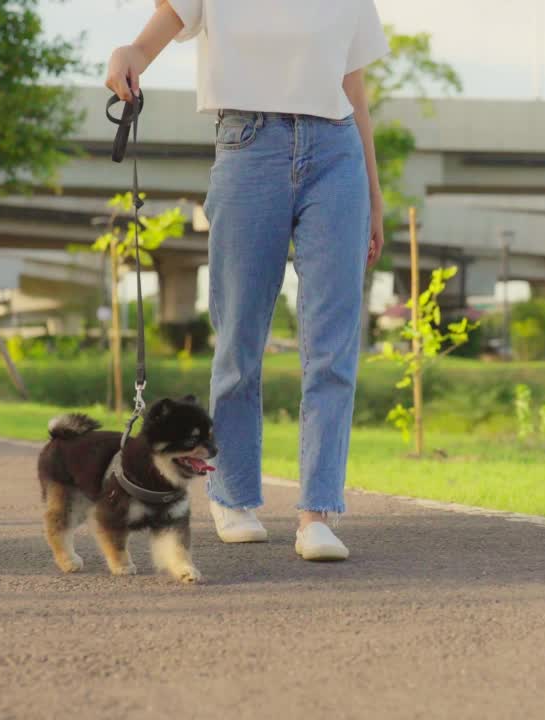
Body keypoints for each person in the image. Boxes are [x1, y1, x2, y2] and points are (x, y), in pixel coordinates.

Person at [105, 0, 389, 561]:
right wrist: (130, 54)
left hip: (337, 155)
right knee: (239, 340)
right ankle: (233, 496)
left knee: (332, 347)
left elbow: (353, 90)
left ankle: (318, 513)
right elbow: (157, 32)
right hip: (248, 146)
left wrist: (375, 199)